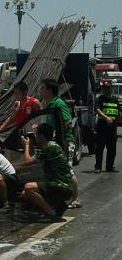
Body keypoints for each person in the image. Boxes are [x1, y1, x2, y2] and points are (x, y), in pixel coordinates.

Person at [40, 78, 81, 209]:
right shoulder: (50, 104)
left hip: (64, 142)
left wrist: (56, 133)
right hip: (57, 142)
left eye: (42, 88)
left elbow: (67, 121)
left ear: (49, 90)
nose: (40, 91)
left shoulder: (59, 103)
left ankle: (76, 199)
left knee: (68, 171)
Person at [21, 123, 73, 221]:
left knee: (29, 187)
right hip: (60, 185)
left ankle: (50, 213)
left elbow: (27, 161)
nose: (35, 137)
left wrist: (27, 145)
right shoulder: (51, 145)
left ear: (42, 136)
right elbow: (35, 159)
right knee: (25, 194)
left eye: (36, 135)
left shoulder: (49, 147)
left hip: (61, 186)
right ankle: (58, 206)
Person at [94, 81, 121, 173]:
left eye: (108, 88)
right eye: (104, 88)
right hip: (102, 128)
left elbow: (119, 112)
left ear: (111, 88)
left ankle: (109, 166)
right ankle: (98, 167)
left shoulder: (115, 99)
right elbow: (97, 110)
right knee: (99, 148)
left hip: (112, 129)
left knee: (112, 149)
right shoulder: (100, 99)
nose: (106, 90)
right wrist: (106, 118)